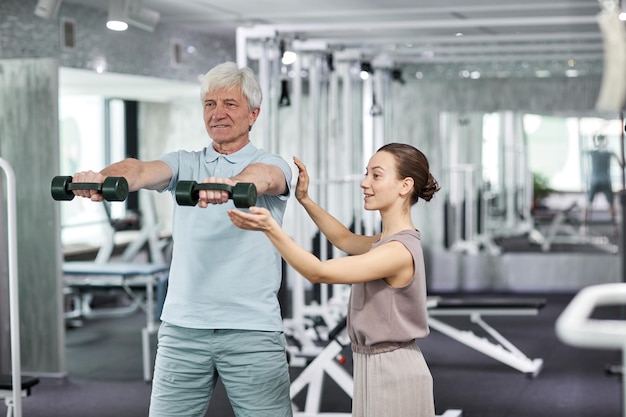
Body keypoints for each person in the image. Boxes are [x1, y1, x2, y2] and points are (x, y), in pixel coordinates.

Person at [70, 61, 293, 417]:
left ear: (254, 114)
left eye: (229, 104)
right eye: (209, 104)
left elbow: (266, 177)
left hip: (250, 329)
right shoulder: (185, 163)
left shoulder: (273, 163)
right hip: (182, 329)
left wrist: (235, 185)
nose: (217, 113)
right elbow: (140, 170)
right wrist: (100, 177)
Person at [228, 142, 440, 417]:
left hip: (394, 370)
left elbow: (318, 272)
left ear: (404, 185)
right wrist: (304, 199)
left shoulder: (397, 252)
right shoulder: (385, 242)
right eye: (367, 174)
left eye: (376, 175)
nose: (364, 183)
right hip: (371, 365)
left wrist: (271, 228)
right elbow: (344, 239)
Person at [583, 134, 623, 232]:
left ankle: (584, 226)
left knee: (589, 203)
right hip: (603, 180)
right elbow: (621, 164)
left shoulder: (597, 152)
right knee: (609, 204)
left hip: (598, 180)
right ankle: (614, 226)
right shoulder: (607, 153)